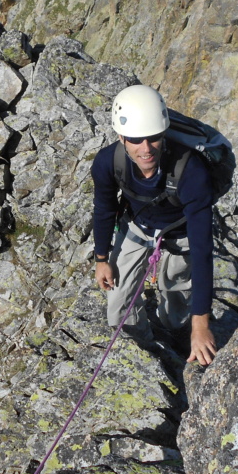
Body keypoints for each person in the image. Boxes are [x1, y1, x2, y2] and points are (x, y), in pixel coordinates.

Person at [90, 84, 217, 365]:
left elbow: (202, 248)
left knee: (176, 298)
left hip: (181, 233)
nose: (145, 149)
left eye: (153, 138)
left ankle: (174, 330)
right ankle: (149, 353)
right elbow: (104, 208)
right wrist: (102, 258)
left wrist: (201, 325)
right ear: (121, 136)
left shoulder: (191, 170)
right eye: (136, 140)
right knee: (118, 308)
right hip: (137, 226)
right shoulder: (107, 163)